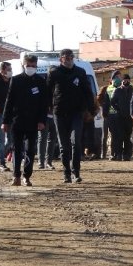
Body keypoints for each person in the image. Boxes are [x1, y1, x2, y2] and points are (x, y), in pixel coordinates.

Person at [46, 49, 97, 183]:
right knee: (64, 145)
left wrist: (91, 109)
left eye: (71, 57)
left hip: (76, 113)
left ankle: (76, 172)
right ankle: (66, 173)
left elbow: (87, 91)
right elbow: (47, 92)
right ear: (61, 59)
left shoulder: (80, 72)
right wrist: (48, 107)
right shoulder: (55, 73)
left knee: (76, 142)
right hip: (60, 112)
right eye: (66, 58)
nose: (69, 60)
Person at [2, 55, 48, 186]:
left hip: (33, 122)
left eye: (34, 66)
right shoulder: (16, 80)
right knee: (16, 149)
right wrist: (5, 121)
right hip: (17, 121)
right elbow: (9, 102)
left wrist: (41, 121)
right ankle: (16, 176)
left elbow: (43, 104)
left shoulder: (40, 81)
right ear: (23, 65)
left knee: (30, 150)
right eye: (29, 65)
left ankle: (27, 176)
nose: (31, 68)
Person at [109, 74, 133, 160]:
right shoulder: (117, 90)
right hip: (120, 117)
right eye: (124, 80)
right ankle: (118, 154)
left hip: (129, 117)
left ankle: (126, 155)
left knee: (127, 136)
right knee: (120, 136)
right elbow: (112, 102)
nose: (126, 82)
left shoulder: (132, 90)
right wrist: (118, 109)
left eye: (127, 80)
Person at [98, 71, 121, 159]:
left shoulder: (121, 88)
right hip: (107, 115)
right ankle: (103, 153)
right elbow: (99, 99)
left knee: (114, 135)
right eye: (116, 77)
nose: (118, 78)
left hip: (116, 115)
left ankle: (113, 153)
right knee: (105, 135)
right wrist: (104, 107)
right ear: (112, 78)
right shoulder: (105, 88)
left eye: (119, 77)